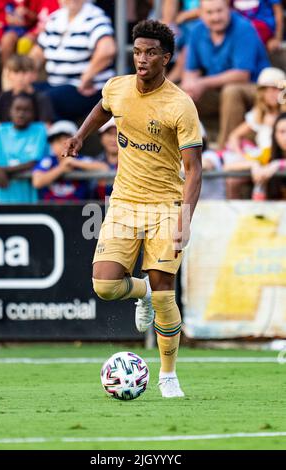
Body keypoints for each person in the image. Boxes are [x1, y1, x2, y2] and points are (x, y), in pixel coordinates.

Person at [62, 20, 202, 398]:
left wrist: (184, 218)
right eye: (138, 51)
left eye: (151, 53)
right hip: (124, 202)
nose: (142, 59)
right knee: (105, 286)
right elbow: (103, 108)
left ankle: (168, 375)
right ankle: (138, 292)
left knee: (164, 293)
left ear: (166, 58)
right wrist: (79, 135)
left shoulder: (179, 105)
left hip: (165, 206)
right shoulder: (118, 87)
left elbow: (194, 169)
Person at [182, 0, 270, 147]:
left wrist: (202, 83)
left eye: (219, 11)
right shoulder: (197, 31)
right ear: (201, 14)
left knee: (231, 91)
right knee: (179, 94)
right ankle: (185, 150)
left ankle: (224, 152)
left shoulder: (244, 28)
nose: (215, 17)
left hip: (256, 89)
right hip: (218, 90)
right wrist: (189, 86)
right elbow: (191, 71)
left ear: (228, 9)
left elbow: (242, 75)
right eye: (210, 12)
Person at [30, 0, 116, 121]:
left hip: (86, 88)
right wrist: (26, 72)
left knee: (45, 99)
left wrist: (86, 77)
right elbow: (38, 52)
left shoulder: (95, 17)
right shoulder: (55, 18)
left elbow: (107, 50)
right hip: (55, 84)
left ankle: (55, 135)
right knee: (22, 93)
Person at [224, 67, 286, 199]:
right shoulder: (259, 115)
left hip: (279, 157)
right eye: (267, 90)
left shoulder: (283, 116)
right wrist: (241, 154)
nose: (271, 94)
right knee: (232, 180)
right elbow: (234, 135)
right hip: (261, 158)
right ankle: (234, 217)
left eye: (276, 89)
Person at [0, 93, 48, 203]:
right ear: (10, 111)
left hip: (31, 199)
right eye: (17, 109)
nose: (21, 114)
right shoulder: (0, 131)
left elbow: (33, 163)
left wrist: (2, 170)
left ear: (33, 113)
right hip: (4, 198)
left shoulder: (39, 130)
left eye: (26, 110)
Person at [33, 120, 108, 202]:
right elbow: (37, 182)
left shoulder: (81, 159)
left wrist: (73, 162)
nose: (63, 145)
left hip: (78, 210)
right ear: (51, 145)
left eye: (66, 141)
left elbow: (104, 168)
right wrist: (61, 169)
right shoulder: (48, 161)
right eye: (58, 141)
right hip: (49, 209)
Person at [0, 54, 54, 134]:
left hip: (33, 141)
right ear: (9, 75)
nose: (20, 77)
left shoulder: (41, 98)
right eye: (16, 72)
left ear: (34, 75)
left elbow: (46, 127)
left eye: (25, 72)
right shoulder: (3, 97)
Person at [251, 112, 286, 199]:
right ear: (274, 135)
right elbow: (228, 166)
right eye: (282, 132)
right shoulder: (268, 153)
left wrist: (278, 164)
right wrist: (254, 164)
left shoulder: (275, 163)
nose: (285, 137)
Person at [90, 117, 118, 200]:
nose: (113, 139)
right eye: (109, 133)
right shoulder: (93, 162)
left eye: (118, 134)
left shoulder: (134, 163)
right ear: (101, 137)